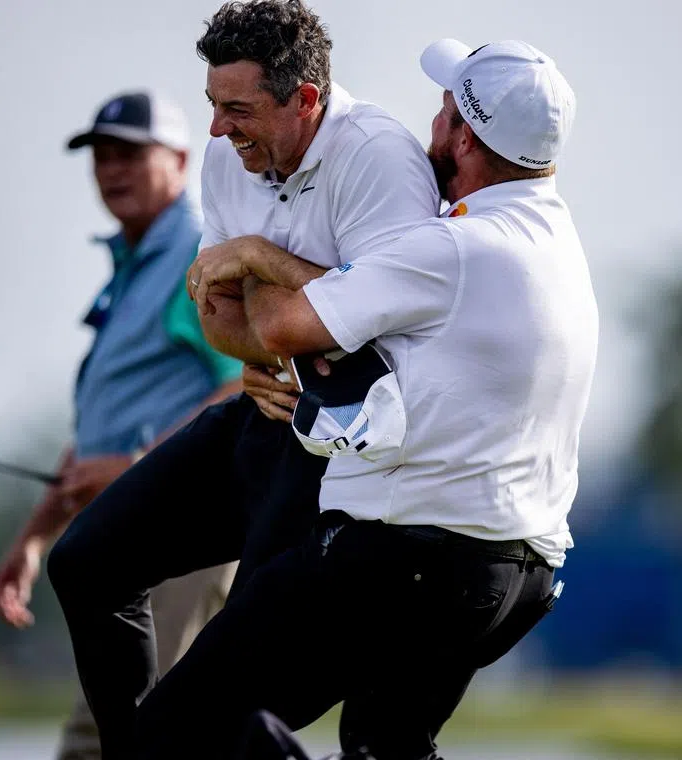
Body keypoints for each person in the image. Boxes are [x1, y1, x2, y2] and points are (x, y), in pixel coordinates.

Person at [151, 37, 599, 760]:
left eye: (445, 111)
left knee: (180, 727)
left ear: (465, 136)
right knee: (384, 748)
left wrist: (254, 251)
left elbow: (278, 325)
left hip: (405, 560)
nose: (431, 126)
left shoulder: (452, 247)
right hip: (517, 574)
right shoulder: (556, 240)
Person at [44, 1, 439, 758]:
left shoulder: (380, 160)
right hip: (264, 412)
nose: (219, 131)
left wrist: (259, 265)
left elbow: (395, 321)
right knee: (84, 565)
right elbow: (224, 317)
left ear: (307, 101)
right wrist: (278, 330)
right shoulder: (232, 158)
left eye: (238, 109)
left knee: (229, 684)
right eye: (212, 108)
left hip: (343, 457)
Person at [0, 90, 244, 760]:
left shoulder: (197, 251)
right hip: (132, 537)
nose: (111, 169)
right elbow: (104, 428)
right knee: (143, 731)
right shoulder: (133, 266)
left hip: (181, 533)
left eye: (131, 152)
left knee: (115, 735)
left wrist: (133, 471)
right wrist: (34, 537)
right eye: (101, 154)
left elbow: (242, 385)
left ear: (182, 159)